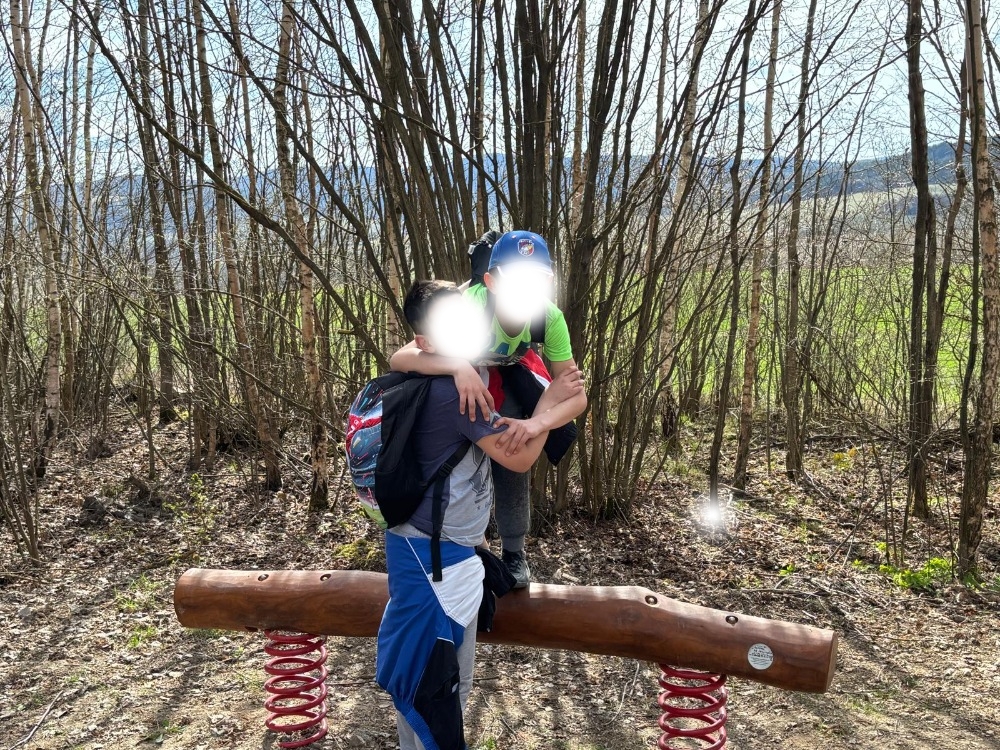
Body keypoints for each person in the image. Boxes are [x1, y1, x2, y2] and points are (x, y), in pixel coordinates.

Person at [377, 279, 585, 750]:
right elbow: (520, 458)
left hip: (432, 551)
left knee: (427, 685)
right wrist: (547, 403)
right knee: (436, 691)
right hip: (437, 562)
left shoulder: (443, 378)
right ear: (427, 341)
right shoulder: (454, 395)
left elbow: (402, 357)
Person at [389, 231, 587, 588]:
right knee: (459, 456)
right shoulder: (469, 305)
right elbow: (401, 357)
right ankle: (466, 541)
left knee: (513, 446)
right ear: (492, 282)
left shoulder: (549, 317)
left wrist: (536, 423)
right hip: (464, 380)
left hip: (507, 376)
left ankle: (513, 552)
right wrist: (457, 367)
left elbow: (575, 395)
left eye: (537, 282)